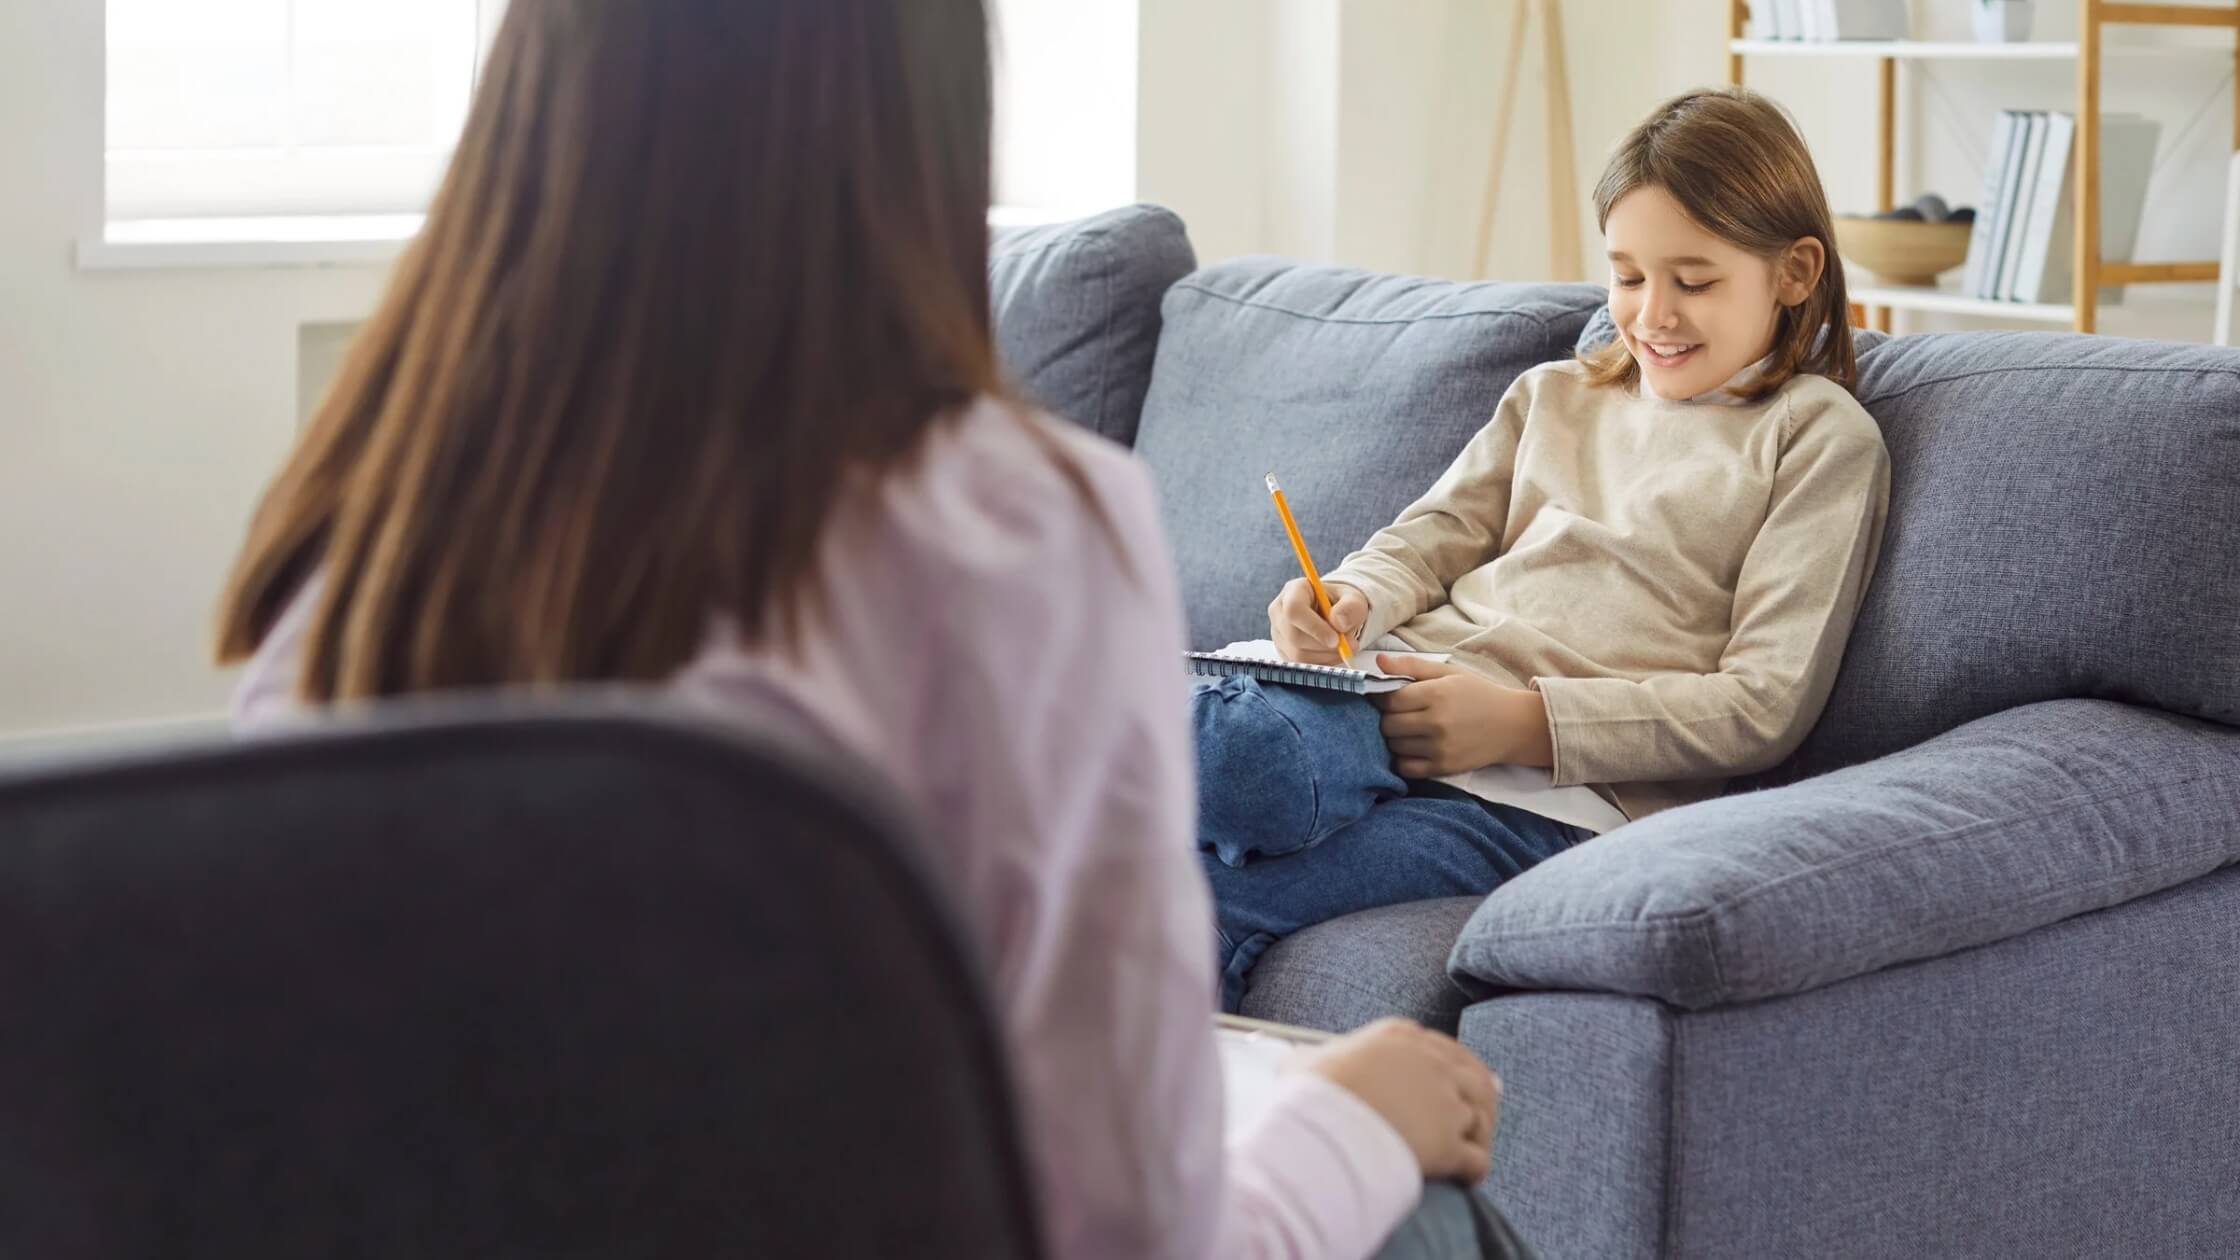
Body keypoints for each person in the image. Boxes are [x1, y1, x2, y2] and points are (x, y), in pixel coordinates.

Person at [213, 1, 1526, 1256]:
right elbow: (1125, 1235)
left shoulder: (359, 541)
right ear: (924, 127)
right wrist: (1347, 1121)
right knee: (1429, 1205)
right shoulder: (1014, 528)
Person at [1197, 86, 1893, 1013]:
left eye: (1694, 281)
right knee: (1222, 750)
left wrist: (1522, 722)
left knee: (1209, 866)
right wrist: (1350, 597)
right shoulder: (1554, 396)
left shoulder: (1815, 438)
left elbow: (1762, 705)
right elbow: (1431, 539)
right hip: (1382, 702)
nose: (1653, 316)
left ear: (1796, 272)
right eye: (1630, 276)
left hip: (1544, 805)